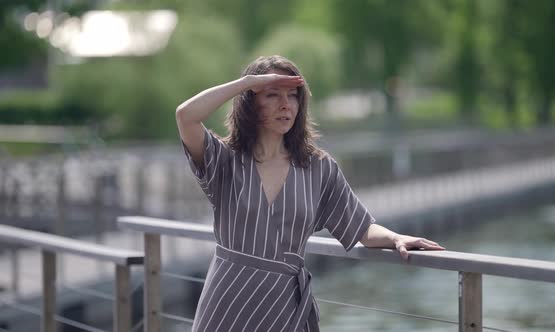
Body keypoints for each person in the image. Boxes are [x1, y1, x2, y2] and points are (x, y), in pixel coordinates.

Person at [176, 55, 445, 332]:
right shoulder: (225, 160)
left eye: (293, 96)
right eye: (272, 95)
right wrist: (247, 82)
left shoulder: (318, 167)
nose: (285, 104)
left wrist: (396, 238)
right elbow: (185, 115)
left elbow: (361, 227)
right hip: (228, 302)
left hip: (283, 306)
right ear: (250, 102)